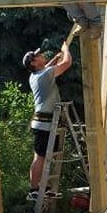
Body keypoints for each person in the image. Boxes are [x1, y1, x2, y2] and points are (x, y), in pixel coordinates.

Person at [22, 42, 73, 201]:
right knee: (40, 157)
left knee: (45, 156)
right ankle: (34, 189)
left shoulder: (36, 75)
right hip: (44, 123)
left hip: (45, 122)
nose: (41, 55)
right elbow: (67, 64)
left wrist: (54, 59)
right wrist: (65, 51)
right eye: (37, 56)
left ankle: (42, 188)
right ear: (33, 62)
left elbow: (46, 69)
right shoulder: (44, 75)